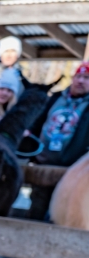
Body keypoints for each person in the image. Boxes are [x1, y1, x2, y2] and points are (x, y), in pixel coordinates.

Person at [27, 62, 89, 220]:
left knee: (61, 215)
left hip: (70, 171)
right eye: (79, 76)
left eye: (87, 78)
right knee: (36, 211)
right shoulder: (55, 98)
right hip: (43, 164)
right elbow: (37, 121)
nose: (81, 81)